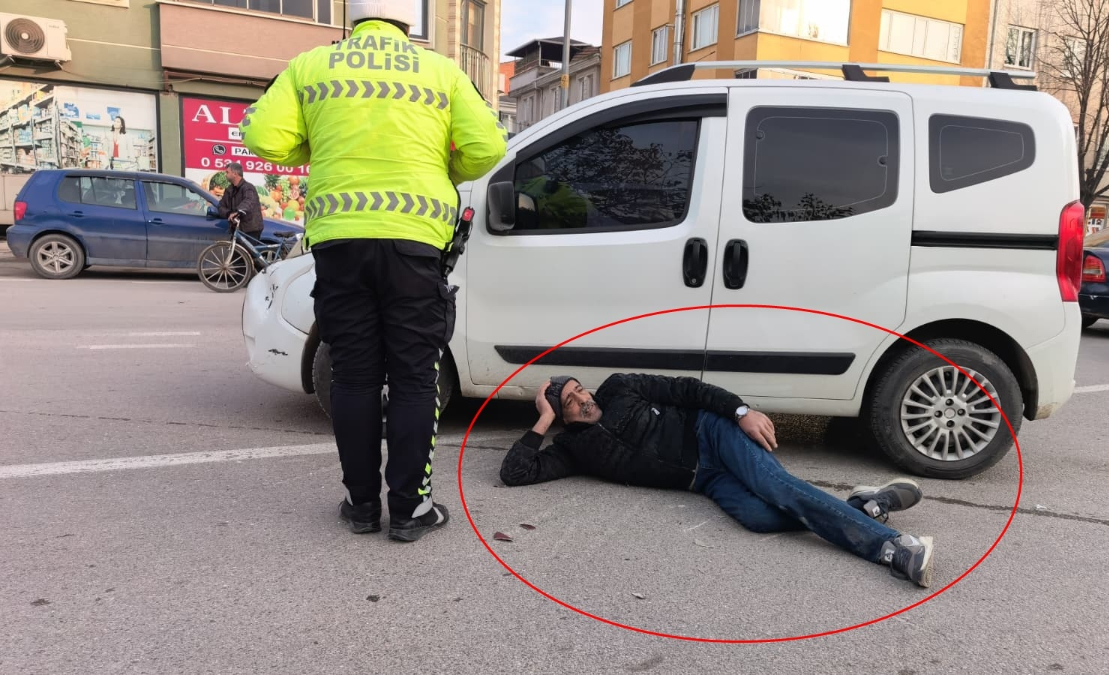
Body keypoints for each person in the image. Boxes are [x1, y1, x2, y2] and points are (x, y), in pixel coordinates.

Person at [238, 0, 507, 542]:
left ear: (354, 16)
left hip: (340, 243)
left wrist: (318, 147)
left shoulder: (311, 66)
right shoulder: (441, 71)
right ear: (410, 21)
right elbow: (487, 148)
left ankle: (360, 505)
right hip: (415, 245)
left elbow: (263, 137)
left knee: (354, 376)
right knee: (414, 377)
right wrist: (440, 163)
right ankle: (411, 509)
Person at [500, 374, 935, 588]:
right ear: (561, 415)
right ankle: (863, 507)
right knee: (761, 518)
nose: (583, 398)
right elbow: (515, 473)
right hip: (704, 480)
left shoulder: (618, 388)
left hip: (712, 433)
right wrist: (542, 420)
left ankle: (893, 548)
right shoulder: (573, 450)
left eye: (580, 390)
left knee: (776, 487)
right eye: (569, 401)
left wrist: (740, 412)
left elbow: (689, 391)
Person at [215, 163, 264, 241]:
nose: (225, 175)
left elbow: (249, 201)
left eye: (227, 172)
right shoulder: (229, 190)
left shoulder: (248, 187)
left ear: (235, 174)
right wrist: (228, 213)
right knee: (234, 249)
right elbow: (221, 206)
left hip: (251, 229)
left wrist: (237, 212)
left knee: (248, 249)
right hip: (236, 229)